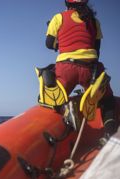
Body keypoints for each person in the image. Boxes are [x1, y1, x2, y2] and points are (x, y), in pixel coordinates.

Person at [46, 0, 117, 138]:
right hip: (90, 70)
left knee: (54, 99)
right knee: (108, 101)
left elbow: (49, 44)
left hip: (65, 68)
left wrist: (58, 42)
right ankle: (109, 135)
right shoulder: (95, 22)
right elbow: (96, 50)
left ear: (67, 3)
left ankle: (65, 108)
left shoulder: (58, 17)